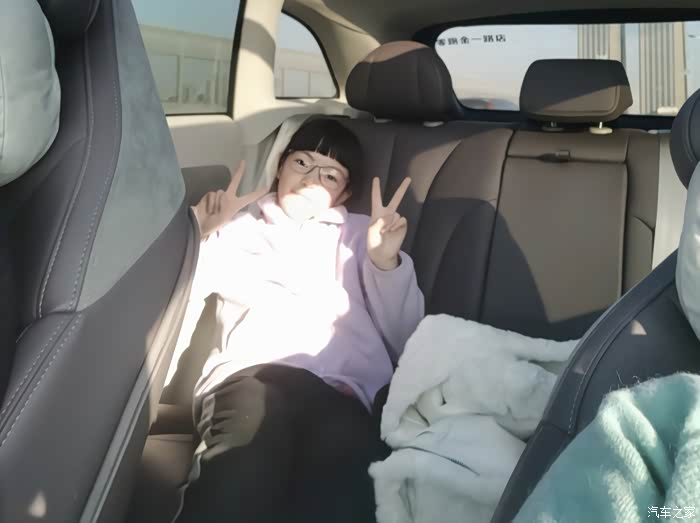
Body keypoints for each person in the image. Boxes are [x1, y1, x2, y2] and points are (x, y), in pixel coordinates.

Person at [176, 119, 425, 523]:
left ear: (344, 193)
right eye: (303, 163)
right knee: (241, 466)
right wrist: (199, 235)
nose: (311, 179)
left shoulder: (365, 236)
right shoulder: (238, 225)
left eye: (330, 176)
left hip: (341, 392)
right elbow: (183, 301)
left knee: (345, 493)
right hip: (251, 378)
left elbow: (407, 337)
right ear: (281, 166)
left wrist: (385, 263)